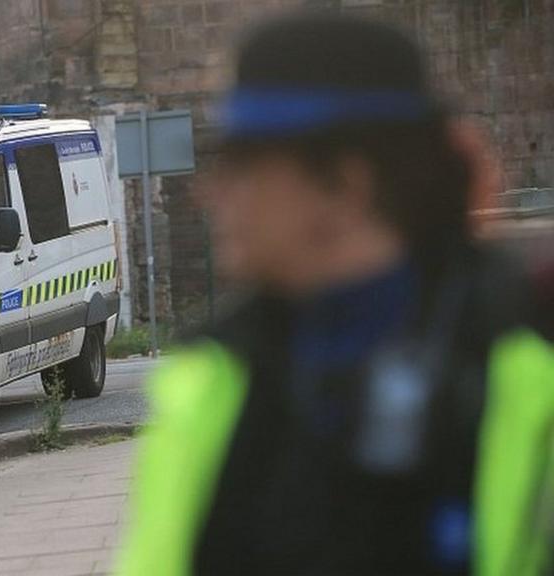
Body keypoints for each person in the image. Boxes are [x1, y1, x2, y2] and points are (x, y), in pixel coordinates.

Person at [117, 12, 554, 576]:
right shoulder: (210, 379)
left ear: (347, 185)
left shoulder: (525, 365)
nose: (210, 191)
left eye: (243, 164)